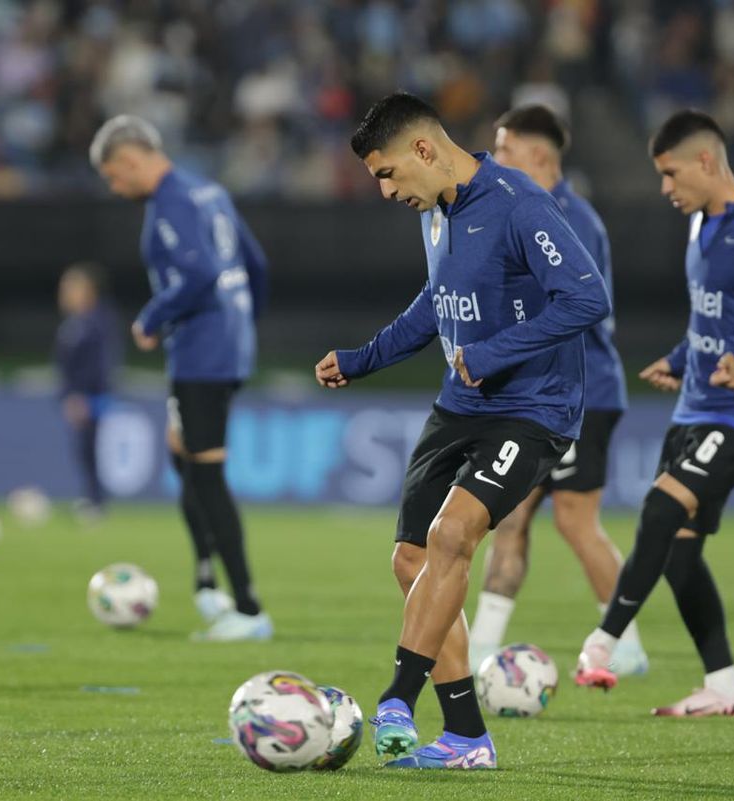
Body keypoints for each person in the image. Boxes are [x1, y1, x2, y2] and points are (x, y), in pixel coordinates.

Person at [315, 92, 611, 769]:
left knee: (455, 534)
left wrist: (495, 352)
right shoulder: (438, 212)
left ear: (424, 149)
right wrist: (362, 360)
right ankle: (467, 737)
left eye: (388, 174)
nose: (387, 190)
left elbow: (587, 296)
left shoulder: (519, 202)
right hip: (461, 406)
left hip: (533, 407)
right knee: (411, 558)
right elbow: (435, 302)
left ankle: (397, 694)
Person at [574, 110, 734, 717]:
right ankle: (724, 686)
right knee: (680, 554)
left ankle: (604, 642)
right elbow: (712, 317)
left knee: (662, 506)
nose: (665, 188)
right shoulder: (699, 226)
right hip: (696, 405)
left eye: (670, 174)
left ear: (706, 162)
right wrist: (678, 356)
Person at [467, 105, 648, 677]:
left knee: (574, 521)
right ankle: (479, 652)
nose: (495, 158)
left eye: (507, 147)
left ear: (539, 155)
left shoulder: (572, 218)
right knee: (510, 517)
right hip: (532, 394)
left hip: (581, 391)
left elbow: (581, 308)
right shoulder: (519, 208)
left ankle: (629, 645)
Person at [89, 114, 272, 641]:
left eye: (114, 177)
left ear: (129, 159)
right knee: (183, 455)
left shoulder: (171, 201)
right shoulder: (209, 191)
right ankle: (206, 583)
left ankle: (248, 608)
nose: (115, 187)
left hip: (201, 356)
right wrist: (243, 327)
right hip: (225, 348)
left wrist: (150, 318)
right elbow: (254, 265)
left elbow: (196, 274)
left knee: (207, 474)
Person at [54, 263, 122, 518]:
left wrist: (81, 396)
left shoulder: (98, 321)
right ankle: (92, 498)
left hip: (92, 397)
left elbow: (100, 364)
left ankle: (96, 501)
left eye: (69, 287)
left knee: (90, 447)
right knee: (83, 449)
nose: (64, 293)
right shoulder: (74, 323)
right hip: (77, 396)